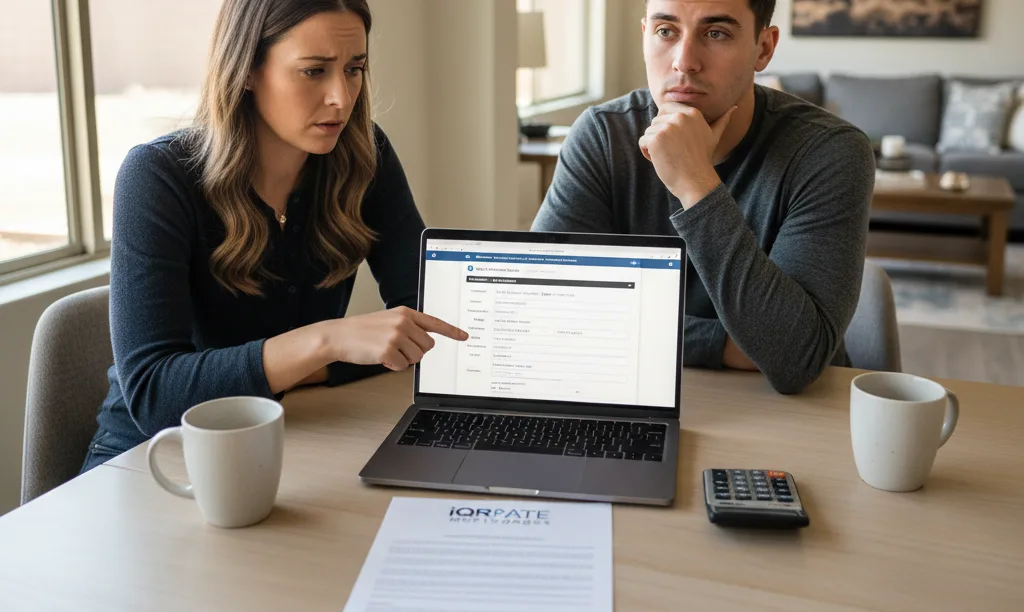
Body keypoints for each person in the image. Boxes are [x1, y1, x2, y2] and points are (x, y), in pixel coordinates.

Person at [80, 0, 466, 473]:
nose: (342, 98)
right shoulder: (159, 177)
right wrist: (327, 342)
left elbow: (433, 324)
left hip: (289, 440)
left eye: (354, 69)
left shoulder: (365, 154)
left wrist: (317, 358)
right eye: (313, 72)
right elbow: (155, 394)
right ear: (245, 70)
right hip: (151, 460)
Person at [531, 0, 874, 394]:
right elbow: (547, 310)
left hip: (790, 416)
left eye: (716, 33)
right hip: (636, 392)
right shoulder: (602, 137)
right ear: (646, 34)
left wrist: (696, 185)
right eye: (666, 31)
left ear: (763, 47)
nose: (684, 61)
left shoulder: (828, 152)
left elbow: (795, 359)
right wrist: (728, 345)